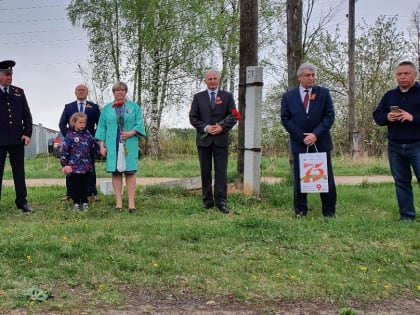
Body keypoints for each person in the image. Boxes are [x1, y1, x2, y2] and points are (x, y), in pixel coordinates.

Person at [280, 62, 337, 218]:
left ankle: (329, 212)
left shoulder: (324, 93)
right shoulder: (288, 96)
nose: (311, 78)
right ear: (300, 77)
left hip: (321, 142)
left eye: (313, 75)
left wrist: (315, 134)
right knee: (301, 178)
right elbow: (285, 119)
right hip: (300, 143)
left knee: (326, 178)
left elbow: (330, 116)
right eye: (307, 75)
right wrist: (301, 136)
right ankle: (300, 211)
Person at [373, 60, 420, 221]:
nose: (402, 77)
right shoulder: (390, 95)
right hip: (395, 146)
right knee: (401, 182)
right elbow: (377, 116)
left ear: (415, 75)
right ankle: (407, 217)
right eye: (399, 74)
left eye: (406, 74)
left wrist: (412, 117)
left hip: (417, 145)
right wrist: (387, 117)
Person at [189, 69, 238, 214]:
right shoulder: (198, 97)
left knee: (221, 172)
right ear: (205, 81)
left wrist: (221, 128)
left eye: (215, 79)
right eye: (209, 79)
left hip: (221, 140)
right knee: (205, 171)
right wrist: (205, 128)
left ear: (219, 80)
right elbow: (193, 118)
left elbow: (234, 116)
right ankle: (207, 201)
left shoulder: (227, 96)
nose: (212, 81)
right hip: (204, 141)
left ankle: (221, 202)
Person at [95, 81, 146, 213]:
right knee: (116, 172)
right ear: (113, 92)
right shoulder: (107, 109)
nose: (120, 92)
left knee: (130, 172)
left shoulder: (134, 107)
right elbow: (102, 127)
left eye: (122, 90)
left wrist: (131, 133)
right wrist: (101, 145)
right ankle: (118, 202)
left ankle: (131, 204)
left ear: (125, 92)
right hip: (112, 144)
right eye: (117, 90)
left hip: (129, 142)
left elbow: (139, 123)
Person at [0, 60, 34, 213]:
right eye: (6, 74)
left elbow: (27, 115)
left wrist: (27, 133)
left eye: (11, 74)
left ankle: (22, 202)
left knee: (19, 172)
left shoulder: (18, 92)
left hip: (16, 139)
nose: (9, 77)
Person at [59, 84, 101, 202]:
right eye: (79, 90)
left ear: (87, 92)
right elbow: (62, 124)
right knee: (70, 168)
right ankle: (70, 193)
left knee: (90, 168)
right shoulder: (68, 107)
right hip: (73, 145)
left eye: (83, 90)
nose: (81, 92)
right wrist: (70, 136)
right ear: (75, 92)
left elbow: (100, 124)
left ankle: (92, 192)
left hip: (88, 143)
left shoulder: (94, 107)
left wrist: (94, 138)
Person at [61, 112, 99, 211]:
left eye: (84, 122)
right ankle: (76, 202)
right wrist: (64, 165)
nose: (82, 125)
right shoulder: (70, 135)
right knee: (75, 186)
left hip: (86, 166)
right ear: (74, 123)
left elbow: (93, 146)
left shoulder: (87, 134)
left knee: (85, 185)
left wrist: (101, 151)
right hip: (73, 167)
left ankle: (85, 202)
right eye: (80, 122)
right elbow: (64, 151)